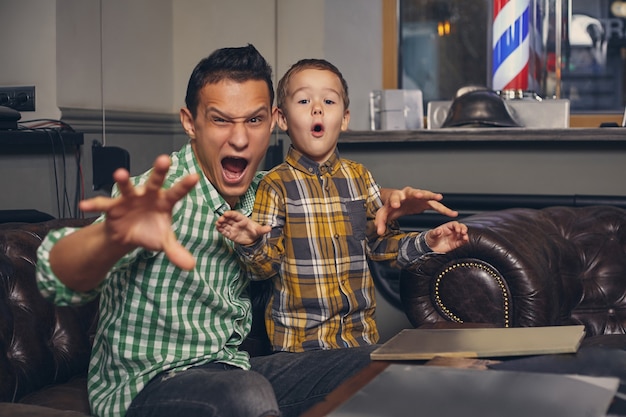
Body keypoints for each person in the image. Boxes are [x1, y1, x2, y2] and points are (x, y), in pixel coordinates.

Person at [36, 45, 462, 417]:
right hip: (152, 384)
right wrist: (112, 235)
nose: (239, 139)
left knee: (390, 362)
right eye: (221, 120)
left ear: (273, 120)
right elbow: (58, 277)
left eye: (254, 120)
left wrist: (387, 197)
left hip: (234, 368)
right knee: (244, 393)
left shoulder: (265, 188)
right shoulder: (160, 194)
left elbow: (319, 191)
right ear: (190, 122)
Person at [216, 58, 469, 352]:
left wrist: (428, 242)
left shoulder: (359, 177)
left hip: (359, 339)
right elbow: (263, 269)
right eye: (303, 100)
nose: (317, 108)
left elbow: (381, 248)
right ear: (282, 119)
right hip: (300, 348)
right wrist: (251, 243)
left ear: (345, 119)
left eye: (328, 100)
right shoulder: (276, 186)